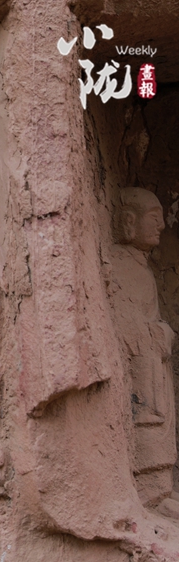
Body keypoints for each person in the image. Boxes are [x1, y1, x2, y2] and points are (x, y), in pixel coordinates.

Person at [107, 187, 176, 509]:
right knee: (147, 422)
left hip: (153, 363)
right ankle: (151, 492)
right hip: (140, 365)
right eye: (153, 217)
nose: (160, 224)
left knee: (160, 421)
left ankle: (161, 487)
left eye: (161, 217)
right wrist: (155, 333)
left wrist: (160, 333)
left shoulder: (140, 267)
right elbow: (124, 321)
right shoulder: (119, 264)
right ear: (129, 221)